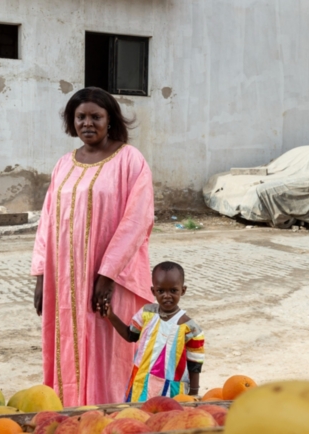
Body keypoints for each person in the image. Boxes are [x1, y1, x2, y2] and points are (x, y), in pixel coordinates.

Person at [31, 87, 155, 407]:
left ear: (110, 120)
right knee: (67, 343)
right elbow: (47, 220)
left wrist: (107, 275)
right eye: (81, 117)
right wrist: (42, 274)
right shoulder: (63, 164)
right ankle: (70, 411)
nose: (88, 123)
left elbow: (137, 220)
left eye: (95, 117)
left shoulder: (130, 160)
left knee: (106, 346)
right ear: (72, 123)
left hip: (109, 277)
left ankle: (110, 415)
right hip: (65, 279)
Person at [100, 261, 205, 401]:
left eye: (173, 290)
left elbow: (195, 365)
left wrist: (193, 393)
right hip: (140, 385)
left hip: (172, 391)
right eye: (161, 291)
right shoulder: (146, 313)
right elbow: (130, 335)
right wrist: (111, 316)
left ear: (183, 290)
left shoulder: (191, 329)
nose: (167, 295)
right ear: (153, 291)